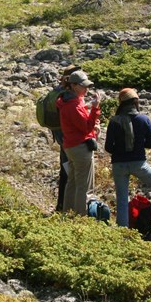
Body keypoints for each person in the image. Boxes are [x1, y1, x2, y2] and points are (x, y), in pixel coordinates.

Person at [105, 88, 151, 233]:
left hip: (118, 164)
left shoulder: (114, 121)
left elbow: (108, 147)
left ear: (121, 103)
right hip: (139, 163)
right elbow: (150, 144)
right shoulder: (143, 119)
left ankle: (122, 231)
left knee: (122, 197)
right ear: (136, 102)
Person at [56, 69, 101, 215]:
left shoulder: (66, 101)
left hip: (69, 146)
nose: (86, 89)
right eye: (84, 86)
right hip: (80, 148)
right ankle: (80, 218)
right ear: (74, 86)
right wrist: (95, 108)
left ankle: (67, 213)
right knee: (83, 186)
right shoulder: (74, 106)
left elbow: (77, 117)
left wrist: (87, 107)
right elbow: (86, 127)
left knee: (72, 182)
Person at [51, 64, 81, 212]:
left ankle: (62, 205)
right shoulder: (67, 94)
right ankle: (69, 208)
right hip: (69, 138)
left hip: (60, 136)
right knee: (71, 173)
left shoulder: (57, 91)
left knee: (65, 170)